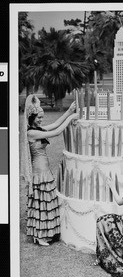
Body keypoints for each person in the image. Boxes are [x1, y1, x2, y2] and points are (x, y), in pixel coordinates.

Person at [20, 94, 78, 246]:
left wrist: (69, 111)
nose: (41, 120)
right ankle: (39, 235)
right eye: (39, 117)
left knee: (45, 201)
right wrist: (71, 119)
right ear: (31, 117)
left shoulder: (37, 129)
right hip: (39, 173)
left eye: (42, 117)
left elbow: (55, 124)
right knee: (41, 202)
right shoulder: (31, 133)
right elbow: (56, 132)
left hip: (45, 171)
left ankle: (45, 232)